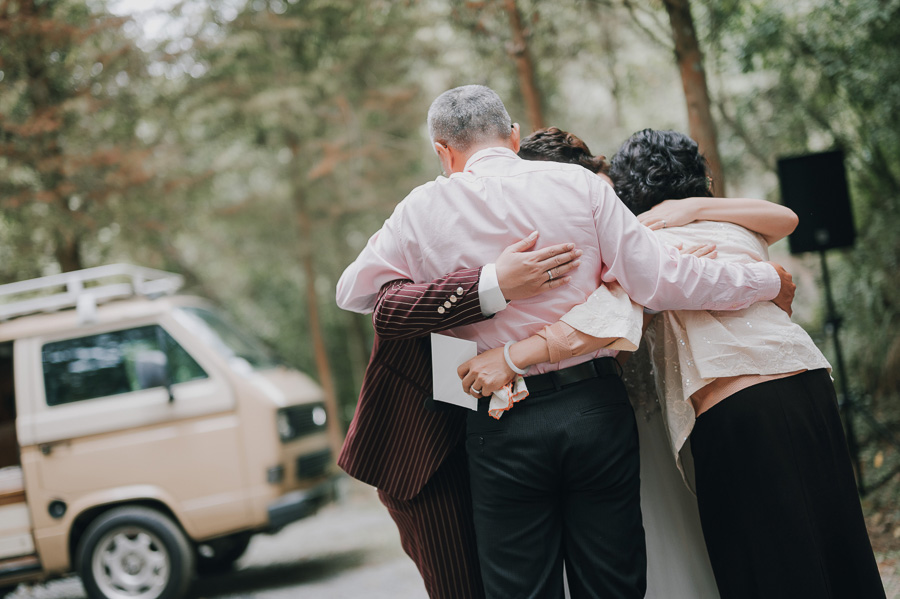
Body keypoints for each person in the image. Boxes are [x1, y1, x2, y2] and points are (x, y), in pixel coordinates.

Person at [336, 85, 796, 598]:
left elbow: (354, 292)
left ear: (443, 152)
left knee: (522, 590)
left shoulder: (421, 208)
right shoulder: (579, 186)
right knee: (612, 584)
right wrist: (764, 280)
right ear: (513, 136)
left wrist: (473, 282)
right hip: (594, 408)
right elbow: (662, 279)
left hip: (501, 421)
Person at [462, 127, 885, 598]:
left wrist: (512, 356)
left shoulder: (638, 243)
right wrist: (714, 227)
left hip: (730, 403)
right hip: (807, 376)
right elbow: (785, 217)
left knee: (767, 559)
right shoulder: (730, 225)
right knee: (839, 540)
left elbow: (608, 313)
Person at [338, 235, 581, 599]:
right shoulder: (427, 219)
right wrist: (494, 283)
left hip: (548, 438)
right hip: (435, 451)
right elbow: (381, 304)